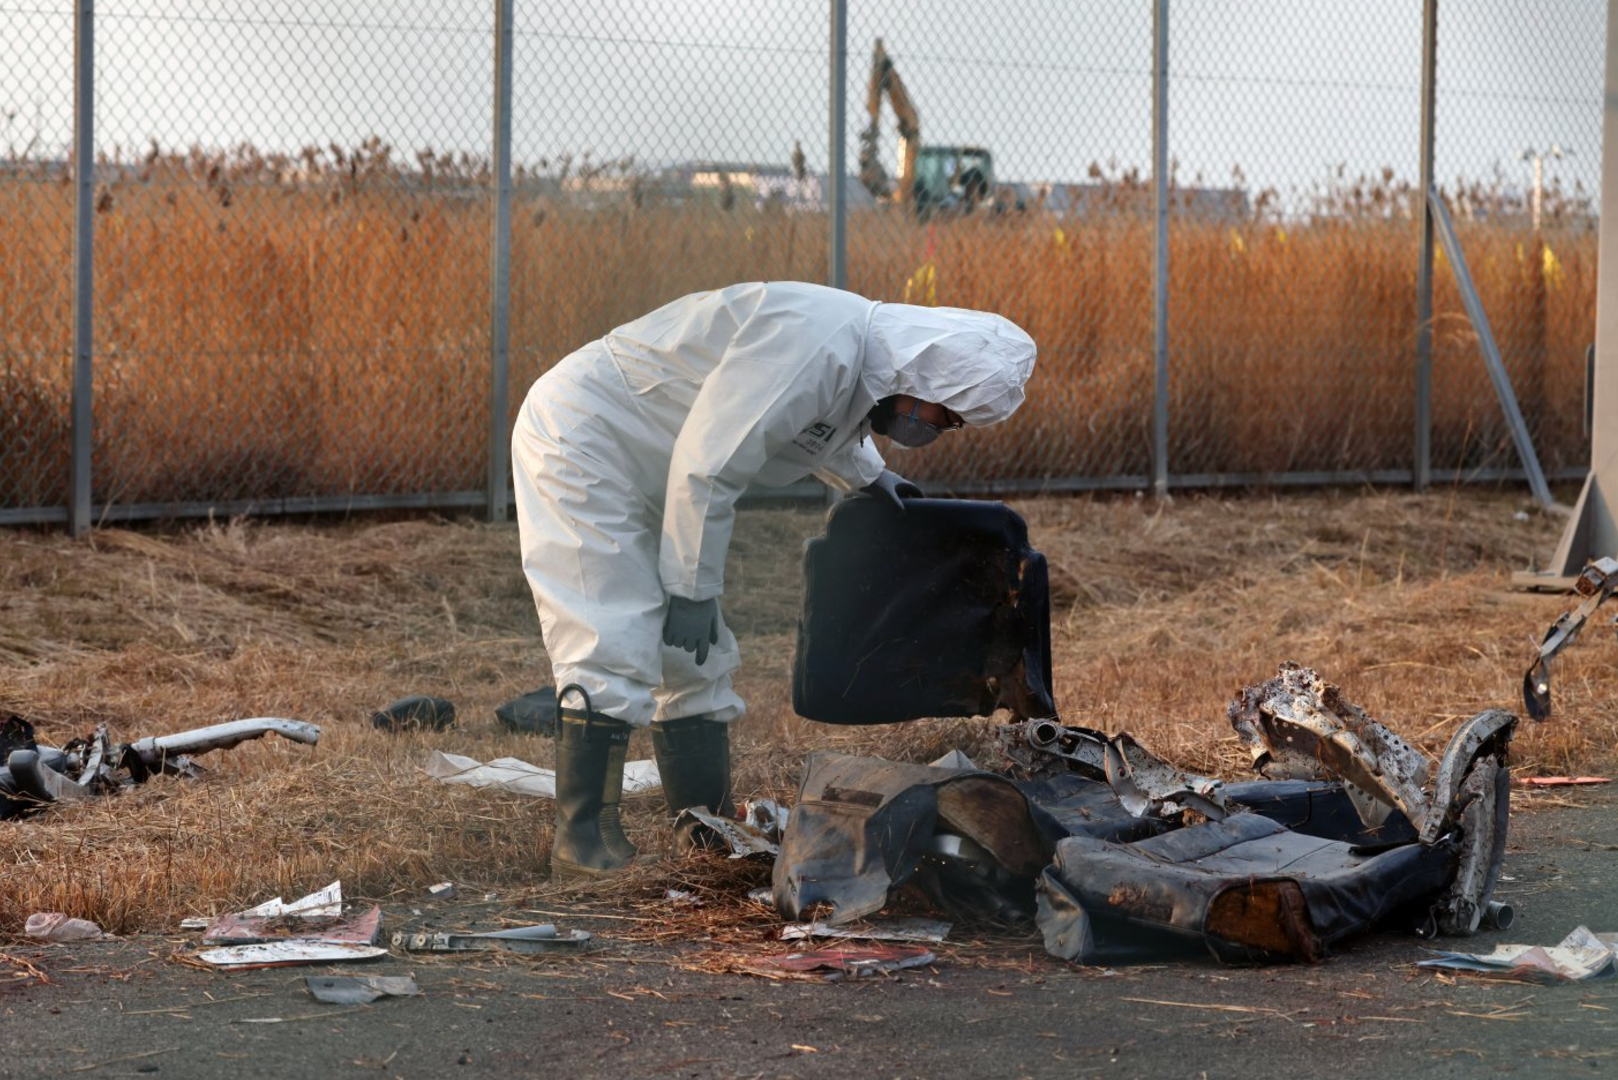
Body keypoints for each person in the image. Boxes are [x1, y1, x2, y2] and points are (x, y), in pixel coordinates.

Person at [512, 280, 1036, 877]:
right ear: (925, 374)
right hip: (586, 438)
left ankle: (703, 825)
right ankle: (583, 844)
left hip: (659, 459)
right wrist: (692, 588)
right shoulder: (817, 343)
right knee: (612, 630)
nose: (939, 429)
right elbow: (711, 464)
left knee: (697, 657)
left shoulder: (860, 364)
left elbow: (810, 425)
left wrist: (871, 477)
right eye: (946, 414)